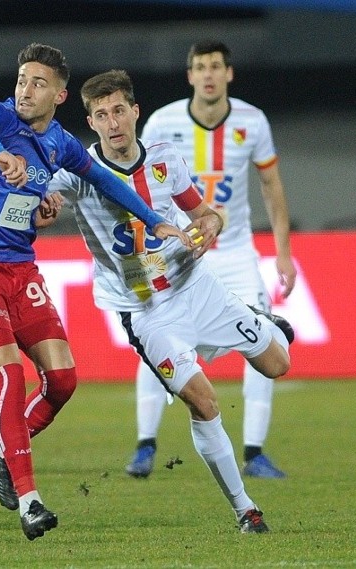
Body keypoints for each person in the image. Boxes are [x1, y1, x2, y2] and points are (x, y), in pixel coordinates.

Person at [0, 44, 184, 541]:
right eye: (22, 79)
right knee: (9, 375)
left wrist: (155, 219)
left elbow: (110, 184)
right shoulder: (0, 121)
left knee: (64, 380)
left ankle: (4, 448)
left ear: (60, 94)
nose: (25, 89)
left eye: (38, 83)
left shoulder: (63, 145)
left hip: (19, 268)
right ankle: (30, 502)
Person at [45, 69, 291, 533]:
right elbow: (44, 206)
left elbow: (204, 213)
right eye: (101, 114)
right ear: (91, 122)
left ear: (135, 113)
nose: (113, 122)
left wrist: (212, 226)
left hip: (197, 287)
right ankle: (245, 509)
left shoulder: (164, 159)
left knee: (278, 365)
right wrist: (41, 205)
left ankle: (258, 323)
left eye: (119, 110)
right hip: (147, 313)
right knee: (205, 401)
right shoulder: (77, 175)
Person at [127, 39, 297, 479]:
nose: (207, 74)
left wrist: (283, 252)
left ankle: (255, 451)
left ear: (228, 74)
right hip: (177, 255)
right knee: (156, 341)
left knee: (264, 340)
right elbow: (138, 187)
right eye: (199, 67)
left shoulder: (251, 121)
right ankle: (145, 446)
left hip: (235, 252)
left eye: (215, 66)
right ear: (190, 76)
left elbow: (271, 186)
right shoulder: (162, 122)